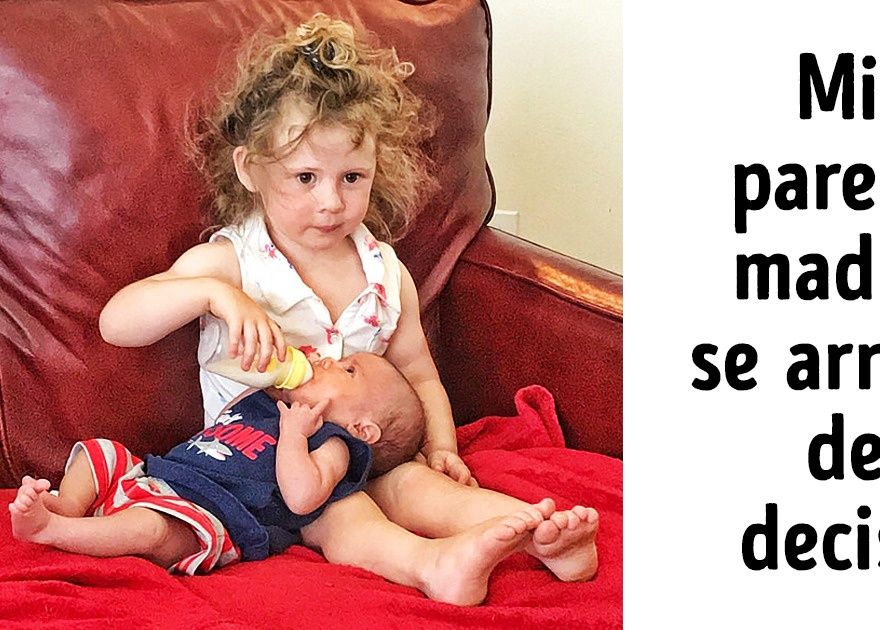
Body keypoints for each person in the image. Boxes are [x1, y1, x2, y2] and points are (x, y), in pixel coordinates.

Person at [93, 14, 598, 604]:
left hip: (365, 455)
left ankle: (541, 535)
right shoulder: (233, 263)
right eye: (305, 177)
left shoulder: (385, 273)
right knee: (345, 516)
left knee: (419, 487)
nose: (331, 202)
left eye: (352, 177)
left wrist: (442, 446)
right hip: (262, 474)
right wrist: (213, 295)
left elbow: (418, 373)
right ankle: (433, 566)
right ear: (250, 170)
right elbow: (117, 323)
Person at [9, 352, 553, 605]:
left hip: (208, 517)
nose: (329, 361)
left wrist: (295, 436)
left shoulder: (332, 443)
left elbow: (302, 496)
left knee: (149, 531)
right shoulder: (270, 405)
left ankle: (58, 531)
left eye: (347, 370)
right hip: (155, 475)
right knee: (100, 451)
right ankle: (68, 504)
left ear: (362, 427)